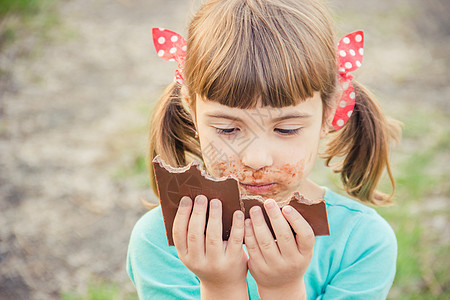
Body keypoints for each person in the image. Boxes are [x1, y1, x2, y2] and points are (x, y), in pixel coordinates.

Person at [126, 0, 402, 299]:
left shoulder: (361, 242)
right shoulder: (160, 241)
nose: (256, 159)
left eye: (286, 129)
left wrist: (282, 288)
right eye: (227, 129)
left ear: (330, 113)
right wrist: (220, 286)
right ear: (191, 111)